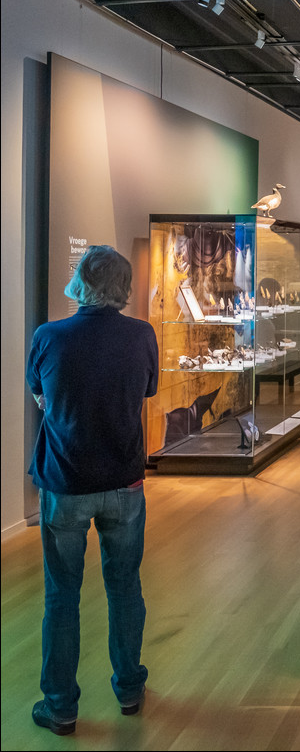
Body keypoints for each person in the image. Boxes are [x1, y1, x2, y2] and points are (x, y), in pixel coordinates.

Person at [25, 245, 159, 736]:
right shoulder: (142, 334)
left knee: (61, 595)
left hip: (65, 482)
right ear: (123, 287)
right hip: (124, 481)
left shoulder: (48, 336)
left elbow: (42, 397)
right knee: (124, 585)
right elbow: (146, 392)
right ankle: (128, 687)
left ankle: (60, 705)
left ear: (80, 280)